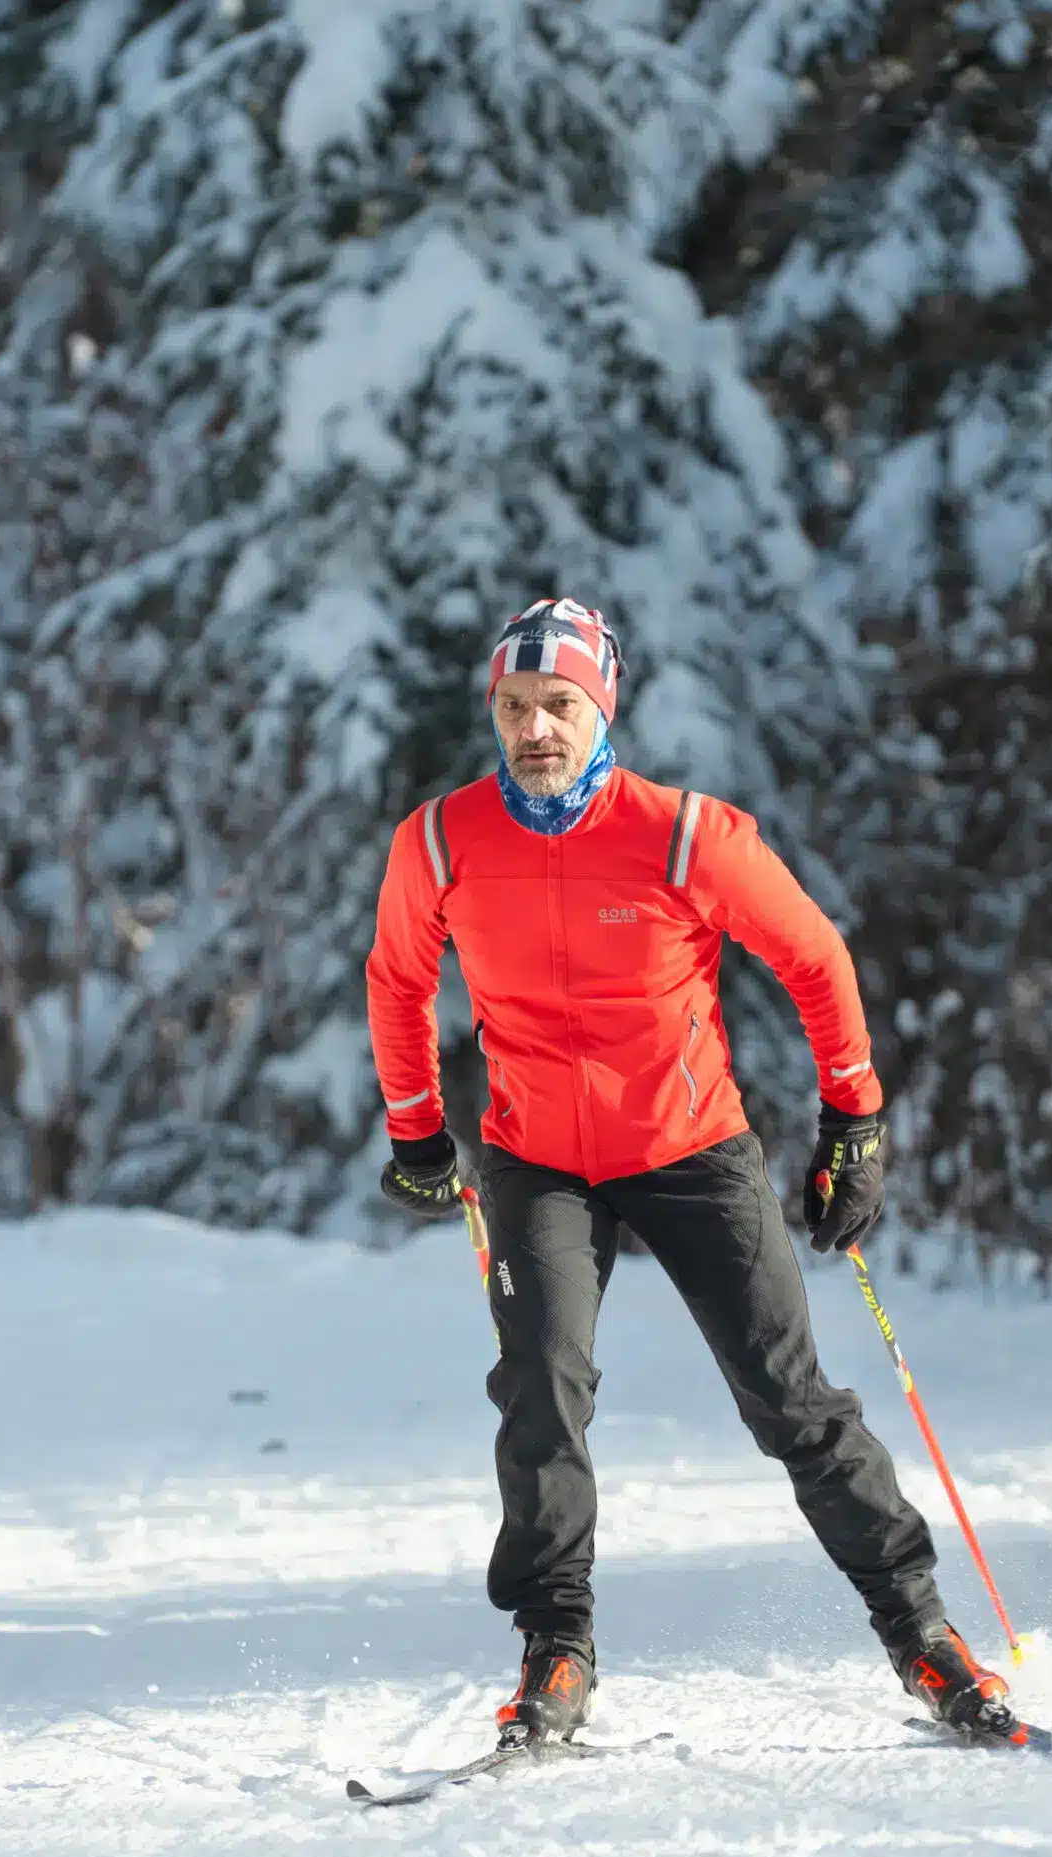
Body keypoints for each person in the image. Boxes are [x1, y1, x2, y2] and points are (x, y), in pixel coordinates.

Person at [364, 596, 1014, 1744]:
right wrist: (417, 1128)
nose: (535, 730)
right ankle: (555, 1646)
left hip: (688, 1147)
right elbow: (397, 978)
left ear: (599, 707)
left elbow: (815, 958)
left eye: (558, 704)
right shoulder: (440, 841)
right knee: (542, 1391)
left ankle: (921, 1636)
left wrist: (853, 1121)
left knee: (793, 1405)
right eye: (513, 708)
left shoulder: (684, 835)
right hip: (539, 1161)